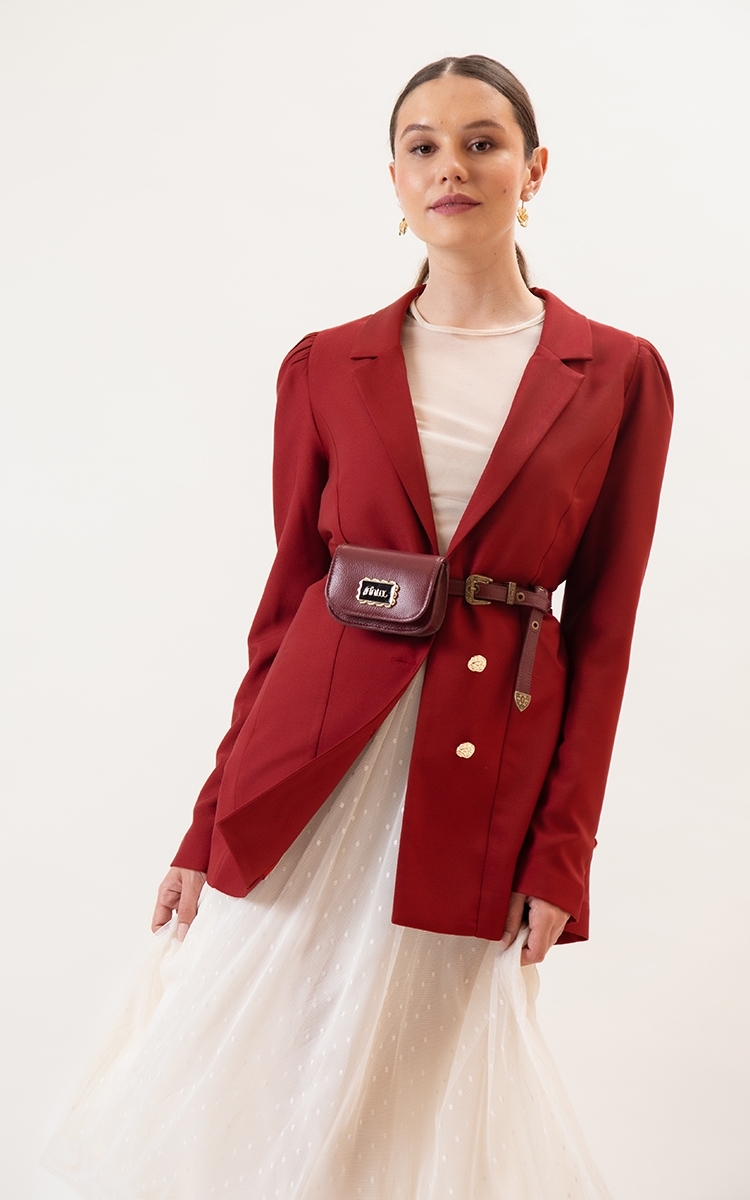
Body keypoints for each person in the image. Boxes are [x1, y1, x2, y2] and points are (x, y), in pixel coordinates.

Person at [43, 54, 672, 1200]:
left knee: (416, 1108)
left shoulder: (617, 374)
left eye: (482, 142)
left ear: (534, 170)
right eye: (422, 146)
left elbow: (606, 634)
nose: (450, 167)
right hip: (305, 778)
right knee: (253, 1084)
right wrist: (205, 823)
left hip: (479, 787)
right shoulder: (327, 364)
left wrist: (563, 856)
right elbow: (284, 608)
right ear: (393, 179)